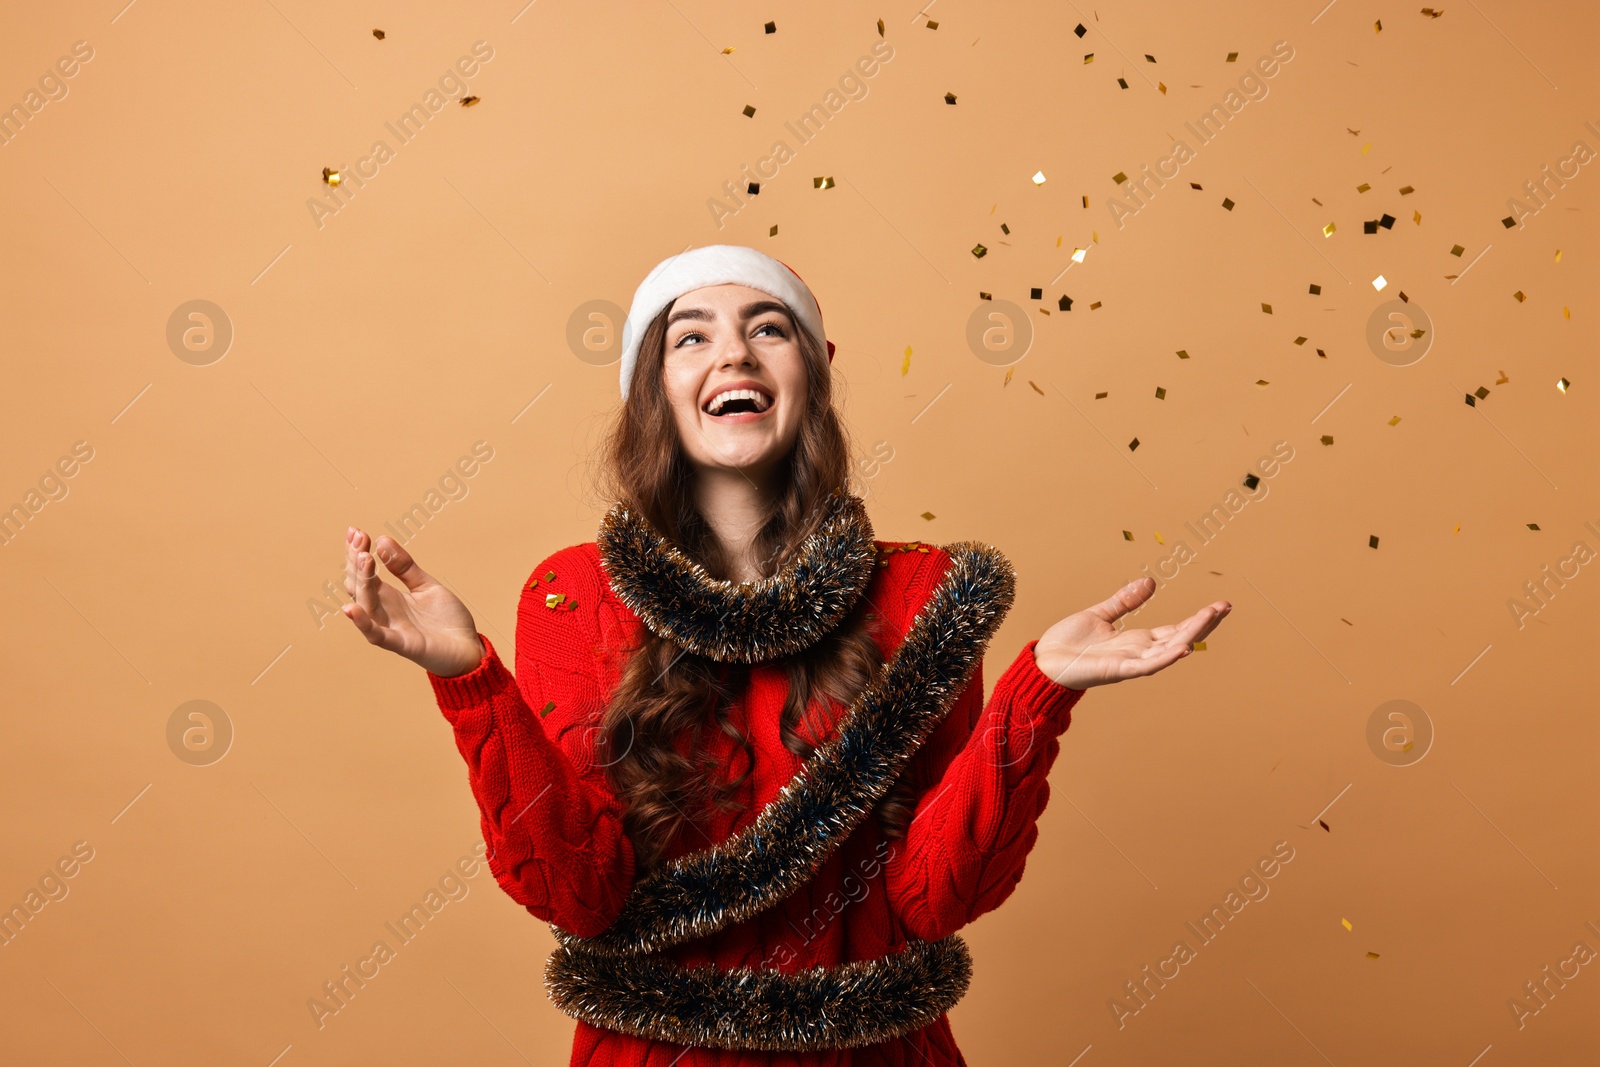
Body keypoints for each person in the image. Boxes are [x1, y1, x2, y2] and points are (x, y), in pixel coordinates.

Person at [339, 244, 1231, 1064]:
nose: (734, 354)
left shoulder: (924, 595)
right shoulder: (574, 595)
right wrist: (469, 682)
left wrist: (1039, 692)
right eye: (692, 337)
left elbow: (936, 898)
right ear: (654, 390)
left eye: (769, 329)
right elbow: (580, 894)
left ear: (815, 371)